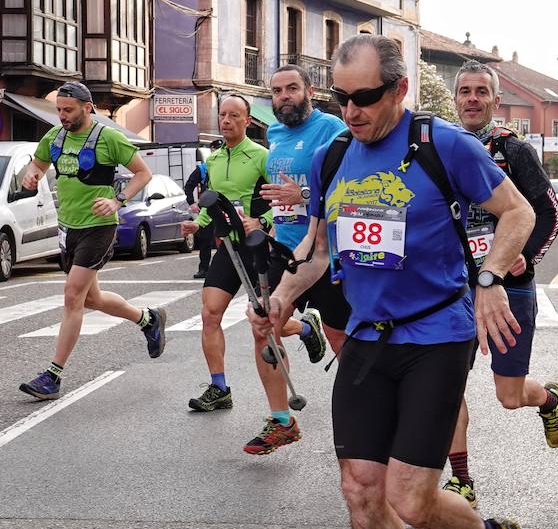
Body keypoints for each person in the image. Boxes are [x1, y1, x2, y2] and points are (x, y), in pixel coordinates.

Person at [251, 35, 535, 529]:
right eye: (341, 98)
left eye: (365, 98)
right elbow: (319, 251)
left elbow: (516, 214)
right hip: (368, 336)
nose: (350, 111)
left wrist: (489, 280)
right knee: (359, 490)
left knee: (411, 497)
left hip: (436, 334)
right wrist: (281, 296)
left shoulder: (442, 146)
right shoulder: (334, 158)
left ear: (399, 90)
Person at [442, 60, 558, 509]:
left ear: (496, 101)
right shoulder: (441, 147)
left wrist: (522, 256)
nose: (472, 98)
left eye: (481, 91)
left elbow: (549, 212)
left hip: (509, 289)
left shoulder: (513, 150)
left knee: (509, 397)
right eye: (465, 91)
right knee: (448, 385)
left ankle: (548, 398)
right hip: (455, 287)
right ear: (456, 99)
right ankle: (461, 479)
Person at [179, 94, 328, 455]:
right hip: (228, 247)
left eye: (234, 115)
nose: (226, 120)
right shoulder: (212, 160)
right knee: (209, 312)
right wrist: (196, 224)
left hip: (259, 244)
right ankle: (219, 388)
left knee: (264, 320)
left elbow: (281, 204)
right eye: (223, 115)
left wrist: (259, 221)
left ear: (248, 121)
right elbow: (215, 206)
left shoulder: (263, 156)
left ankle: (307, 328)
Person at [18, 81, 168, 399]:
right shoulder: (55, 136)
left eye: (68, 110)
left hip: (99, 226)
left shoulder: (108, 137)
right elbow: (37, 165)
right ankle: (147, 319)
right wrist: (30, 175)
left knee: (73, 297)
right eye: (59, 110)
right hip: (68, 227)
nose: (62, 116)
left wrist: (117, 201)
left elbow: (143, 174)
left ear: (87, 108)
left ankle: (53, 376)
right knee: (91, 299)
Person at [257, 64, 353, 360]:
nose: (284, 96)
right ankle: (280, 409)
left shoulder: (332, 129)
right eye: (277, 91)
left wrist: (305, 195)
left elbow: (350, 187)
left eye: (292, 89)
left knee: (340, 337)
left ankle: (365, 400)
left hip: (323, 249)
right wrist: (270, 228)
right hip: (284, 246)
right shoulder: (274, 132)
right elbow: (279, 193)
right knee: (264, 327)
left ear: (310, 92)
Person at [183, 148, 213, 279]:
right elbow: (189, 185)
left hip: (226, 207)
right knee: (205, 240)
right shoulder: (203, 168)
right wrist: (192, 203)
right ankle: (203, 269)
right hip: (207, 208)